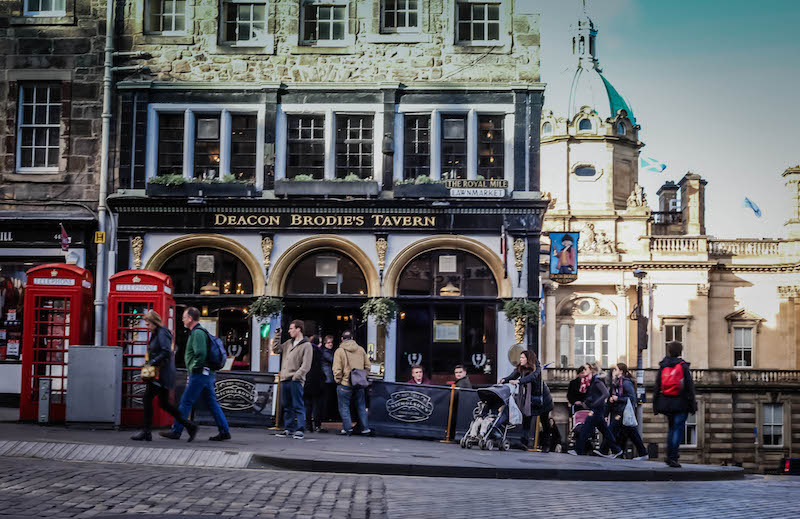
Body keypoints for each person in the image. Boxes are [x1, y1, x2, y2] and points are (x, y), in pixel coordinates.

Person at [160, 307, 230, 442]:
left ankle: (176, 430)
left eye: (184, 317)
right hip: (206, 374)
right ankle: (224, 431)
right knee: (212, 403)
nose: (182, 320)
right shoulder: (199, 332)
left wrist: (193, 367)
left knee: (186, 402)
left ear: (190, 318)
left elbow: (201, 354)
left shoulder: (197, 333)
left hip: (199, 374)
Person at [131, 310, 197, 442]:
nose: (147, 327)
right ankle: (189, 426)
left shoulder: (162, 332)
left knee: (148, 399)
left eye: (148, 324)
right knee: (164, 404)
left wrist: (152, 362)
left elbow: (166, 351)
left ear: (154, 322)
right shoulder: (157, 332)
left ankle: (146, 432)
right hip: (160, 373)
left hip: (161, 374)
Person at [654, 341, 697, 468]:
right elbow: (689, 387)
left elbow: (657, 386)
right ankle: (673, 457)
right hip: (680, 402)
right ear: (680, 351)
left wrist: (655, 404)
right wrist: (692, 404)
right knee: (677, 429)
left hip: (666, 402)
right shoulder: (682, 366)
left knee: (671, 428)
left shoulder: (663, 365)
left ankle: (669, 456)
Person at [501, 350, 553, 452]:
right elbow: (513, 376)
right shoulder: (521, 368)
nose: (520, 360)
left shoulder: (536, 368)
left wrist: (519, 381)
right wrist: (504, 380)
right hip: (530, 399)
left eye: (523, 358)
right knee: (526, 418)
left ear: (528, 359)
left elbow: (531, 377)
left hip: (543, 398)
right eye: (520, 358)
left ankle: (546, 445)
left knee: (544, 421)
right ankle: (524, 442)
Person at [568, 362, 621, 457]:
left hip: (596, 409)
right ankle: (616, 449)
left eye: (586, 369)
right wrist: (587, 403)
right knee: (605, 431)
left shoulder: (597, 381)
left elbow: (605, 394)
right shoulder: (593, 380)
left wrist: (594, 403)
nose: (584, 370)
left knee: (585, 428)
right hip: (597, 409)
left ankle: (578, 450)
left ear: (591, 370)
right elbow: (593, 395)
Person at [272, 320, 313, 439]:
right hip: (285, 378)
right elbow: (276, 350)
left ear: (298, 329)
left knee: (298, 404)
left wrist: (297, 376)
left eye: (291, 328)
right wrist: (277, 336)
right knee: (287, 405)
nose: (289, 331)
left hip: (295, 379)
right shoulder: (288, 343)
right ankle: (288, 428)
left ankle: (300, 429)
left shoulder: (306, 345)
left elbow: (306, 364)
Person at [332, 330, 371, 436]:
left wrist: (338, 380)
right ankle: (365, 428)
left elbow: (337, 369)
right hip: (359, 383)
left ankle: (347, 429)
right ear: (352, 338)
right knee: (361, 406)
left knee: (344, 407)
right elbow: (368, 366)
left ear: (342, 339)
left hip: (345, 383)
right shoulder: (361, 349)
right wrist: (363, 377)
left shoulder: (339, 351)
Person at [607, 363, 648, 460]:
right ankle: (621, 453)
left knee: (612, 430)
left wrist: (618, 399)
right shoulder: (617, 382)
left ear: (621, 371)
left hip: (624, 412)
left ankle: (606, 450)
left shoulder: (625, 383)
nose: (614, 371)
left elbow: (632, 398)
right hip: (619, 411)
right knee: (628, 433)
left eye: (616, 369)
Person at [303, 338, 324, 433]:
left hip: (307, 379)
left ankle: (308, 425)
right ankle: (317, 425)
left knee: (307, 405)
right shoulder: (320, 352)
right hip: (317, 380)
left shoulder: (305, 351)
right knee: (317, 405)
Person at [319, 335, 336, 429]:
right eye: (328, 342)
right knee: (327, 398)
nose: (330, 344)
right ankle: (325, 416)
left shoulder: (329, 352)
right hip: (328, 378)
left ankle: (327, 415)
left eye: (331, 342)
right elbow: (334, 360)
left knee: (329, 398)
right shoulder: (325, 352)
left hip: (329, 378)